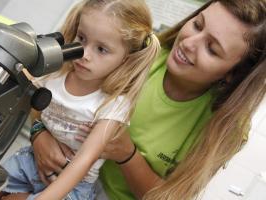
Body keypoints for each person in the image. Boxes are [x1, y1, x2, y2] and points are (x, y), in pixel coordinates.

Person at [30, 0, 266, 199]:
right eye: (197, 25)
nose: (188, 43)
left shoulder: (225, 127)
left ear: (234, 73)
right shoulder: (135, 58)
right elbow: (54, 91)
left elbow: (171, 196)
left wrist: (126, 154)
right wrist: (39, 134)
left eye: (212, 49)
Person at [0, 0, 160, 199]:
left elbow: (85, 160)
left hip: (73, 186)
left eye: (101, 49)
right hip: (30, 161)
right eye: (82, 38)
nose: (84, 54)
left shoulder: (113, 104)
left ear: (126, 58)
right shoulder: (54, 75)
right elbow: (16, 102)